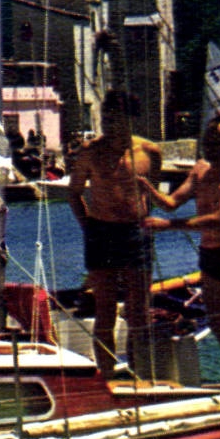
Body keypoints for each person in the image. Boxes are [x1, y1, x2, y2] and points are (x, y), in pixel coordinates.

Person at [144, 117, 220, 390]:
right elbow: (171, 203)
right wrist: (147, 189)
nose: (210, 148)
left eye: (217, 143)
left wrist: (168, 226)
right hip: (209, 253)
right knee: (217, 320)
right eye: (208, 142)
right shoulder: (200, 170)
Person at [67, 89, 163, 377]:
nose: (109, 126)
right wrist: (88, 226)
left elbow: (151, 194)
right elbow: (74, 193)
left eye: (116, 120)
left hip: (136, 234)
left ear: (131, 120)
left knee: (139, 311)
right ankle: (107, 375)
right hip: (101, 232)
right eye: (106, 119)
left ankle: (140, 372)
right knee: (105, 310)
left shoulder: (149, 152)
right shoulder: (90, 152)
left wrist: (144, 219)